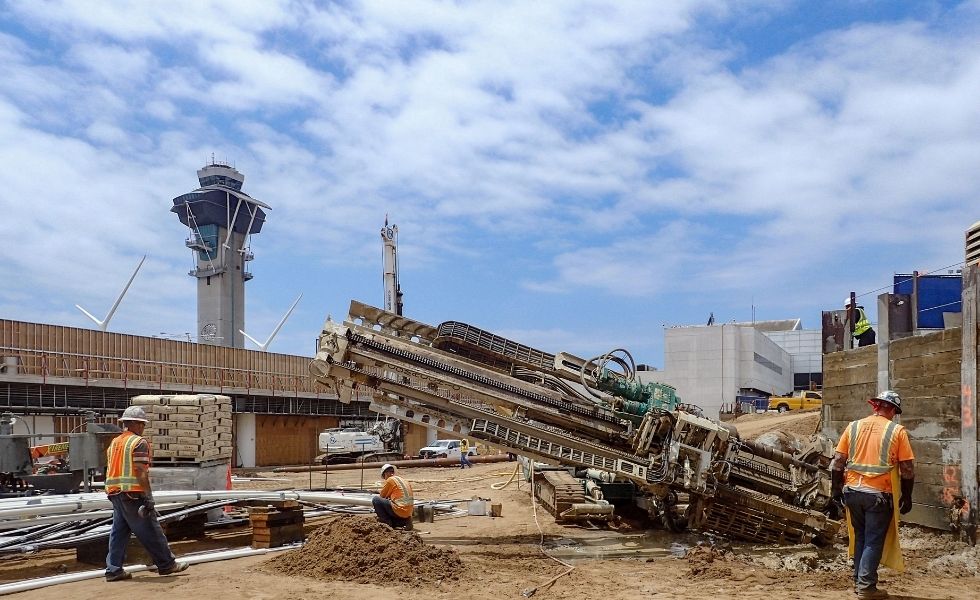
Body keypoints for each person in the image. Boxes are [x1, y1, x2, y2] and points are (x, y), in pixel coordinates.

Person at [830, 390, 915, 600]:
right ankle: (867, 587)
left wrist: (835, 490)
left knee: (860, 537)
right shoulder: (897, 431)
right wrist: (907, 495)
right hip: (878, 494)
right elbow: (907, 469)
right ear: (893, 411)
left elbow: (838, 462)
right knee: (873, 540)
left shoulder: (854, 426)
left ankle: (859, 581)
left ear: (875, 406)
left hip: (852, 491)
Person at [104, 406, 189, 582]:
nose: (143, 428)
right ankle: (166, 564)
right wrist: (148, 496)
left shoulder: (115, 442)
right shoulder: (138, 442)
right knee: (151, 529)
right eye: (142, 424)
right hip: (132, 494)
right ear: (134, 423)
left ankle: (113, 570)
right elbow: (141, 471)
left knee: (119, 533)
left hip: (115, 493)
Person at [372, 463, 414, 530]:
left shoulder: (390, 480)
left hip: (399, 510)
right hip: (408, 513)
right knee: (392, 504)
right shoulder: (403, 480)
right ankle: (405, 521)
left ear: (385, 474)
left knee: (376, 500)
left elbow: (382, 497)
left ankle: (387, 523)